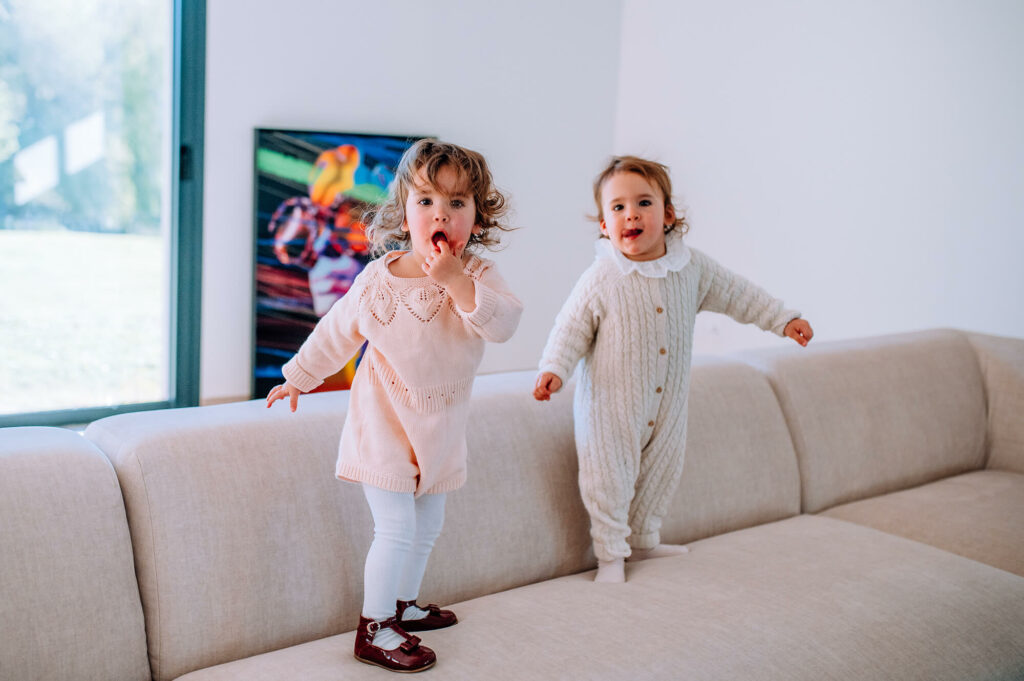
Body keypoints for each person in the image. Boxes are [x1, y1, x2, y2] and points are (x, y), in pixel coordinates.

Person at [267, 139, 522, 672]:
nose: (441, 214)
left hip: (442, 429)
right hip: (382, 424)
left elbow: (503, 325)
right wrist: (297, 377)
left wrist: (454, 280)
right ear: (404, 211)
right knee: (396, 529)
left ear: (477, 218)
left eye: (457, 204)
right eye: (427, 200)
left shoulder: (476, 276)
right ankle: (375, 625)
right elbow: (335, 332)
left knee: (428, 526)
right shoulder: (378, 280)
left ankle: (404, 604)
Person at [533, 155, 813, 584]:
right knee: (609, 478)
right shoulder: (602, 277)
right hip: (612, 410)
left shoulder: (691, 268)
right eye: (618, 207)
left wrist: (782, 318)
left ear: (668, 214)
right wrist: (554, 368)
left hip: (668, 407)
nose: (632, 214)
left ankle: (645, 541)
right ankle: (610, 557)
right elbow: (569, 328)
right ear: (605, 225)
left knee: (661, 474)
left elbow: (740, 294)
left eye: (644, 202)